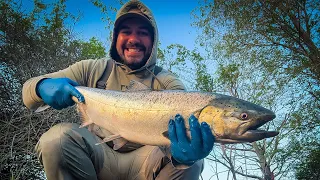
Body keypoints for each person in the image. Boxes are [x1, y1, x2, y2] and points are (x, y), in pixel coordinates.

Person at [22, 0, 214, 179]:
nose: (133, 39)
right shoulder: (92, 69)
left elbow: (183, 138)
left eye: (143, 33)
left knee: (194, 163)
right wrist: (41, 86)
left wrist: (183, 158)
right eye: (126, 31)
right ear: (115, 37)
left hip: (146, 165)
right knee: (55, 139)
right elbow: (28, 93)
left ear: (153, 41)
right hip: (96, 156)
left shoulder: (168, 83)